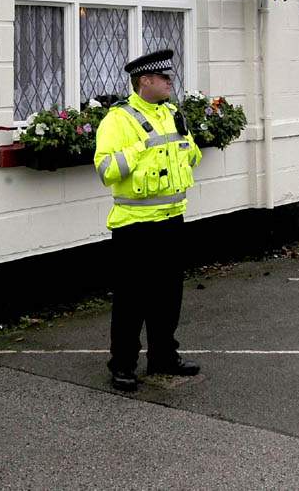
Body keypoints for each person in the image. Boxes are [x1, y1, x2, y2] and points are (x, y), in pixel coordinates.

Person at [94, 49, 202, 392]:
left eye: (170, 77)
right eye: (164, 78)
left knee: (168, 297)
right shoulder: (118, 120)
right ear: (145, 81)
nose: (171, 82)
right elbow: (106, 170)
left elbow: (190, 155)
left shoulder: (172, 113)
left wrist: (188, 147)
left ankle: (163, 357)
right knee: (131, 301)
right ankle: (123, 365)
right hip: (134, 226)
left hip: (172, 220)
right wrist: (141, 147)